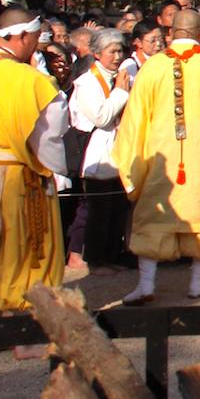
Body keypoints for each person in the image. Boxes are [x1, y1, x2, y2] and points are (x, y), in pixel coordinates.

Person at [113, 8, 200, 305]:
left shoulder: (152, 66)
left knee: (153, 214)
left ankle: (146, 284)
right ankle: (198, 282)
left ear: (171, 32)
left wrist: (132, 155)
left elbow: (135, 116)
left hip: (160, 153)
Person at [0, 9, 71, 319]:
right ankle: (24, 332)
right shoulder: (26, 79)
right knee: (26, 250)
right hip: (20, 175)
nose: (37, 46)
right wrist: (54, 168)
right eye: (35, 39)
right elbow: (51, 129)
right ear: (22, 36)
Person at [67, 30, 133, 272]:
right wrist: (121, 92)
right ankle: (95, 258)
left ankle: (114, 254)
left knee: (117, 207)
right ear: (96, 53)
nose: (117, 57)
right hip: (96, 152)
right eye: (111, 52)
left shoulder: (120, 76)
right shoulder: (87, 82)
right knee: (99, 210)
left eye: (120, 51)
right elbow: (101, 117)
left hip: (119, 149)